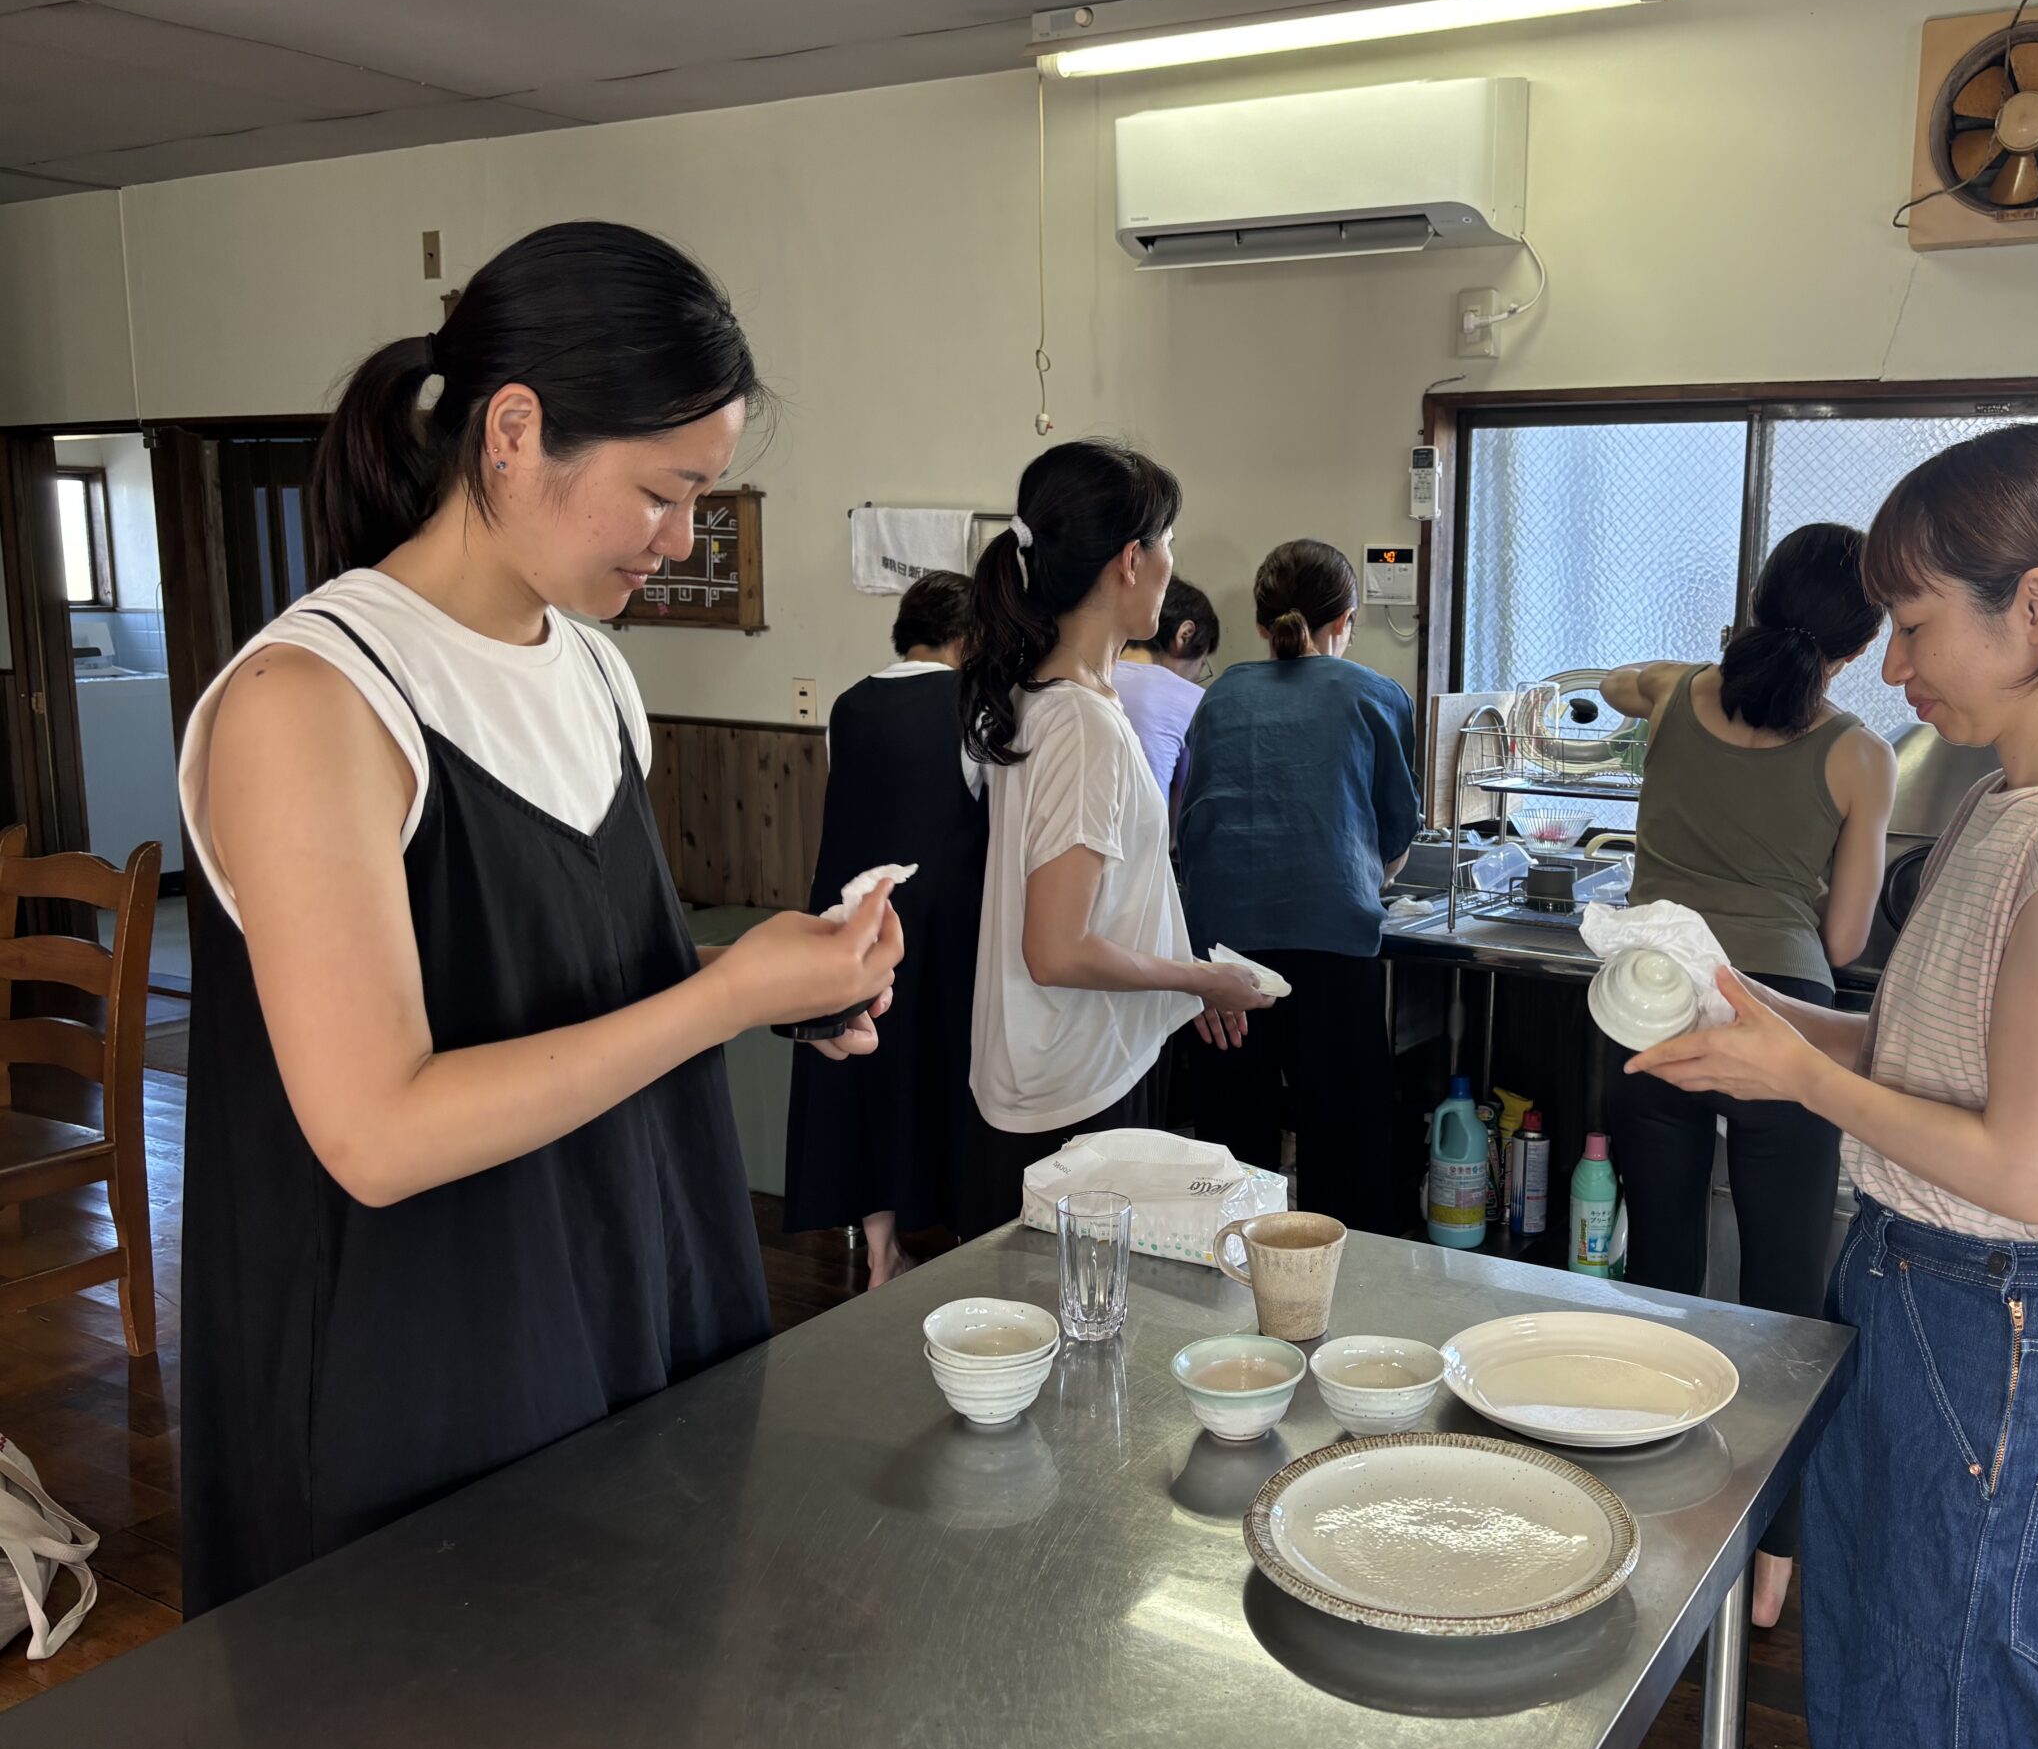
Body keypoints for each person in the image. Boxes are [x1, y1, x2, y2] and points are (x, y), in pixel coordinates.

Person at [174, 222, 902, 1613]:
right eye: (665, 492)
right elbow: (377, 1132)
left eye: (704, 497)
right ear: (513, 432)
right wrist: (722, 998)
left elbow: (549, 982)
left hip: (632, 1294)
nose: (683, 540)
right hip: (426, 1369)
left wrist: (774, 985)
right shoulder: (313, 698)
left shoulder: (594, 674)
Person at [1622, 426, 2038, 1749]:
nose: (1893, 667)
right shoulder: (2000, 807)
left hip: (2003, 1336)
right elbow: (1913, 1053)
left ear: (2036, 608)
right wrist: (1749, 1009)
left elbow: (2024, 1167)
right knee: (1882, 1721)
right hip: (1919, 1302)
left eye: (1914, 625)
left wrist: (1798, 1078)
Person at [1596, 521, 1895, 1627]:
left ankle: (1649, 1513)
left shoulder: (1673, 696)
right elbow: (1848, 938)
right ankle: (1771, 1568)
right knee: (1784, 1301)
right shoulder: (1860, 755)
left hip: (1650, 1004)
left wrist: (1673, 676)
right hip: (1780, 1020)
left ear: (1759, 602)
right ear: (1858, 646)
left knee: (1661, 1272)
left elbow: (1616, 682)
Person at [961, 440, 1272, 1221]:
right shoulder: (1080, 723)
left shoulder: (1057, 695)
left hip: (1069, 1064)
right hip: (1072, 1082)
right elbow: (1057, 949)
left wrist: (1184, 978)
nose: (1171, 563)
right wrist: (1197, 981)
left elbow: (1113, 897)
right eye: (1169, 543)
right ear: (1130, 560)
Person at [1176, 539, 1420, 1233]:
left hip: (1224, 956)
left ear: (1260, 624)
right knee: (1346, 1152)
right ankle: (1339, 1287)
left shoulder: (1218, 696)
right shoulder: (1376, 694)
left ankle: (1229, 1281)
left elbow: (1195, 822)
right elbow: (1395, 838)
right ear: (1346, 619)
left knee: (1233, 1158)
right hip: (1333, 943)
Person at [783, 569, 986, 1286]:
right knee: (948, 1076)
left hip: (851, 924)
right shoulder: (974, 704)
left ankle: (879, 1255)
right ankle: (964, 1237)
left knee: (867, 1081)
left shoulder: (849, 704)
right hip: (941, 928)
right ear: (969, 638)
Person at [1115, 574, 1220, 806]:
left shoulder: (1088, 677)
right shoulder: (1192, 700)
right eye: (1201, 664)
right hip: (1146, 829)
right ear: (1185, 635)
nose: (1196, 678)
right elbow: (1185, 806)